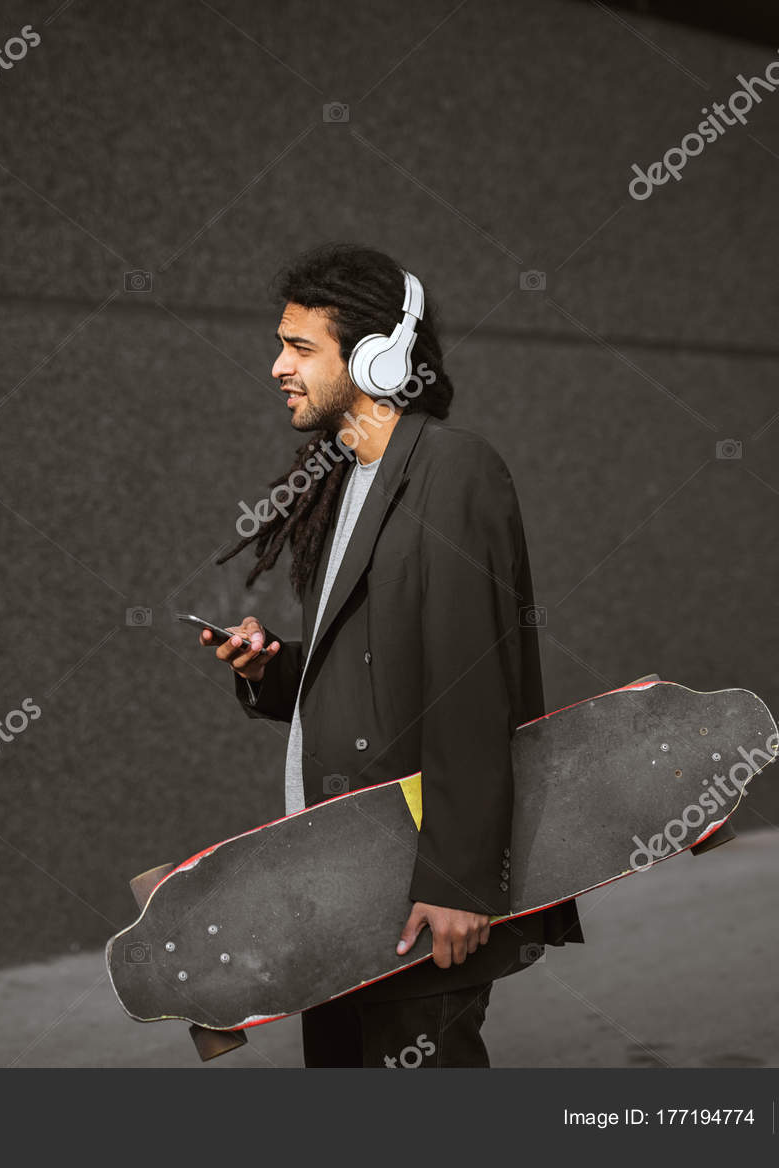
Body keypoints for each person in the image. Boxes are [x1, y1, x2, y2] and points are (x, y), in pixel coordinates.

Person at [205, 243, 583, 1068]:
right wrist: (274, 670)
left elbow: (472, 686)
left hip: (417, 884)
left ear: (379, 355)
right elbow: (377, 670)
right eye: (281, 344)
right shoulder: (343, 485)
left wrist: (457, 882)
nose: (277, 366)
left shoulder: (453, 469)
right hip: (344, 882)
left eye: (301, 347)